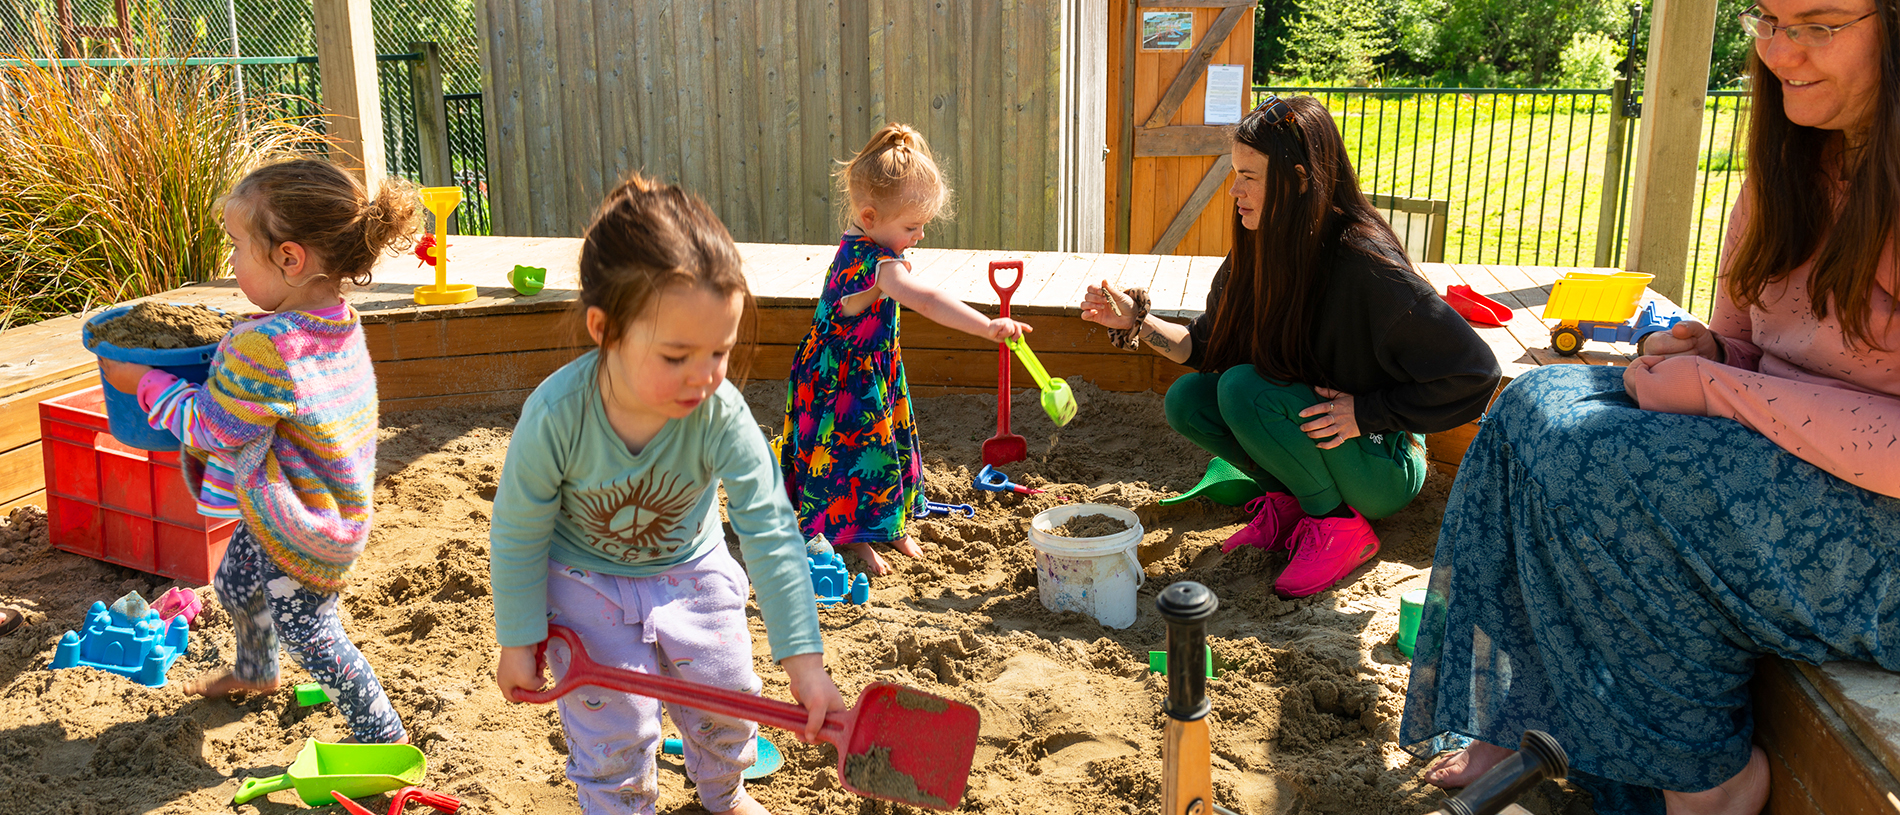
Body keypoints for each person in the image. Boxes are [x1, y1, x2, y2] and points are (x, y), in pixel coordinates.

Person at [1401, 1, 1900, 811]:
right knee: (1529, 406)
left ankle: (1710, 781)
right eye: (1769, 20)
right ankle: (1511, 715)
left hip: (1883, 526)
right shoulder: (1794, 163)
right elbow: (1752, 345)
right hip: (1786, 458)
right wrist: (1708, 354)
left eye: (1818, 24)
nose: (1782, 53)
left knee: (1607, 466)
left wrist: (1721, 387)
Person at [490, 174, 848, 815]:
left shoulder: (720, 415)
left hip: (694, 569)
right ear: (604, 329)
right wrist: (518, 638)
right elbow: (518, 532)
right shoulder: (557, 415)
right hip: (584, 578)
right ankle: (620, 805)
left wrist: (805, 662)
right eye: (677, 354)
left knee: (726, 700)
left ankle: (726, 792)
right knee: (615, 728)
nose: (704, 376)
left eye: (720, 351)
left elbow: (768, 528)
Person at [1080, 95, 1500, 598]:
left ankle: (1339, 527)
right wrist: (1137, 320)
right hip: (1324, 441)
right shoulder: (1260, 251)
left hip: (1380, 464)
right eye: (1235, 173)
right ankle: (1292, 501)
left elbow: (1476, 372)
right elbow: (1203, 345)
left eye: (1250, 176)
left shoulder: (1366, 266)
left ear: (1300, 178)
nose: (1234, 190)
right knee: (1189, 400)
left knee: (1242, 388)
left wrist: (1367, 412)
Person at [98, 158, 413, 744]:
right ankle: (255, 671)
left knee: (315, 636)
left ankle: (383, 736)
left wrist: (140, 383)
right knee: (236, 580)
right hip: (321, 505)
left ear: (290, 258)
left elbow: (212, 428)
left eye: (239, 248)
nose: (233, 262)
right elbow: (281, 385)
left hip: (301, 527)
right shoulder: (330, 320)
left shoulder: (264, 347)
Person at [778, 123, 1031, 575]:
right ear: (871, 217)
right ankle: (851, 538)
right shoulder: (878, 264)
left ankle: (887, 525)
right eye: (912, 227)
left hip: (870, 370)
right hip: (841, 381)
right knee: (850, 459)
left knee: (885, 447)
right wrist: (987, 325)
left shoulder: (867, 243)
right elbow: (926, 299)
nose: (918, 236)